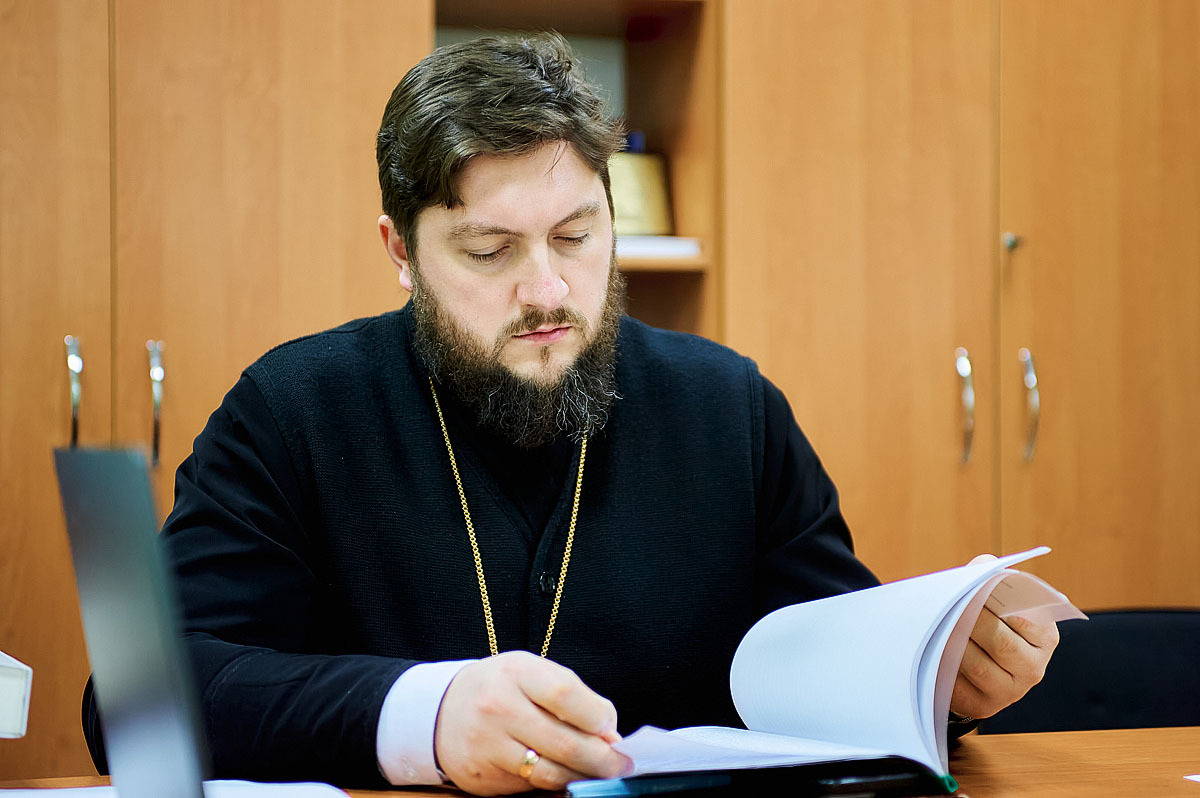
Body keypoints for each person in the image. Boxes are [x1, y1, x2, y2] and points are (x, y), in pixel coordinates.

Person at [82, 32, 1058, 796]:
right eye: (490, 251)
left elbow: (833, 665)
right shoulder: (292, 410)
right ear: (400, 250)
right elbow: (136, 702)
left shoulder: (732, 410)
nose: (547, 290)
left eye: (577, 236)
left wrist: (945, 681)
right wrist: (423, 716)